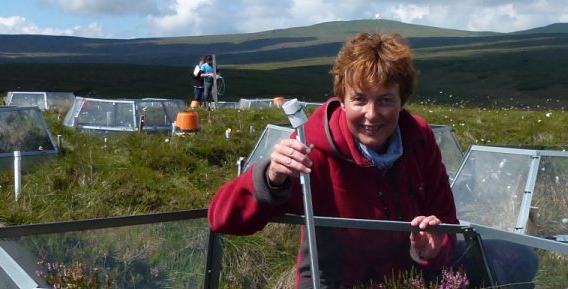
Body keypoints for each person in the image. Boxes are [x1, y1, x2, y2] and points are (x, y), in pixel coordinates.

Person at [207, 32, 537, 288]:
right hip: (339, 285)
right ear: (341, 99)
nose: (371, 114)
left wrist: (433, 250)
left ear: (402, 101)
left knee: (518, 258)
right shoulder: (311, 148)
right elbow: (223, 220)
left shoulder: (419, 142)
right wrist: (270, 177)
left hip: (412, 279)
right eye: (359, 99)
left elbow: (445, 222)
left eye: (385, 101)